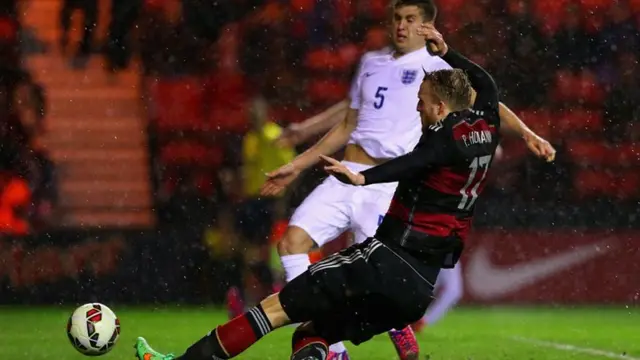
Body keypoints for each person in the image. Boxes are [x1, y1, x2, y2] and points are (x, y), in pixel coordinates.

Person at [133, 24, 555, 360]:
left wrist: (363, 178)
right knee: (313, 334)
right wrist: (448, 55)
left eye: (423, 102)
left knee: (273, 309)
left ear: (442, 108)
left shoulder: (439, 141)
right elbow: (485, 83)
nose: (417, 108)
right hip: (417, 291)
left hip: (385, 261)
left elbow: (409, 164)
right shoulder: (485, 127)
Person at [267, 0, 554, 357]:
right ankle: (334, 347)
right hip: (346, 176)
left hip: (387, 183)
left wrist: (527, 133)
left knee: (380, 281)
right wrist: (298, 164)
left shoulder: (437, 66)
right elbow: (348, 122)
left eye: (410, 19)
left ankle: (396, 330)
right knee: (291, 244)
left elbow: (489, 104)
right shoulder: (370, 63)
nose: (401, 25)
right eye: (397, 19)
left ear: (426, 24)